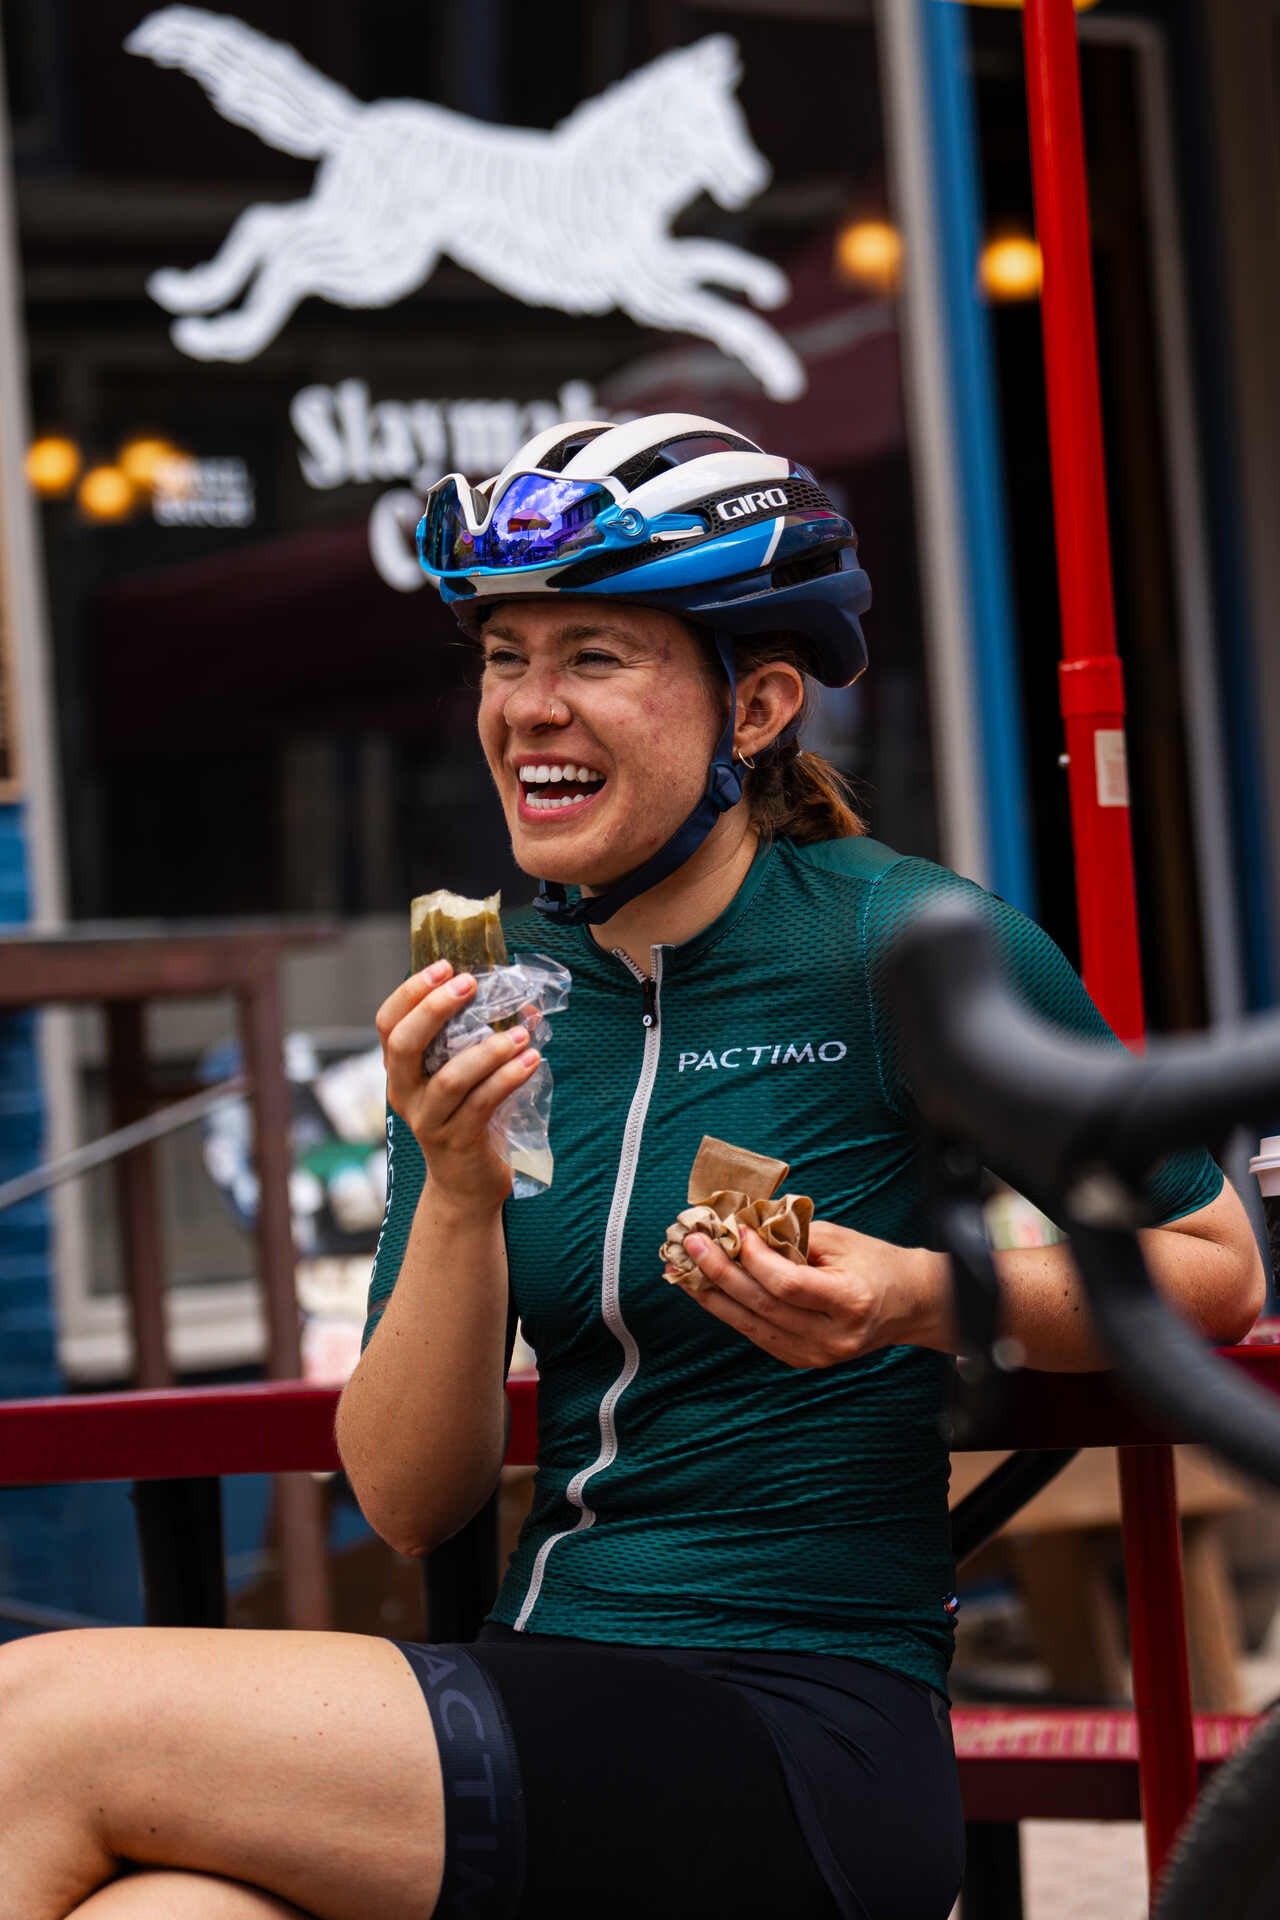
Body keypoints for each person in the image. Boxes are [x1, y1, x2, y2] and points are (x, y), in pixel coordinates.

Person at [1, 413, 1263, 1920]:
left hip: (800, 1723)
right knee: (164, 1914)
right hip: (546, 1685)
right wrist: (455, 1184)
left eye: (594, 656)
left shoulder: (897, 941)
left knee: (37, 1720)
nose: (530, 706)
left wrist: (911, 1295)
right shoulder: (499, 996)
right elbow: (408, 1504)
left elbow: (1212, 1264)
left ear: (758, 706)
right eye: (503, 655)